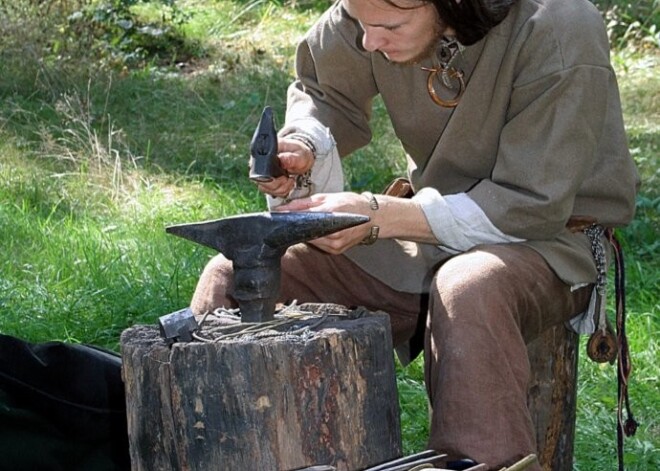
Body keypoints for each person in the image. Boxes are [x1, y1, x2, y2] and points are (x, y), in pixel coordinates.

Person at [190, 0, 640, 469]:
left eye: (390, 25)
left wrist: (379, 215)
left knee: (469, 287)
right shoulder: (373, 7)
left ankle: (477, 460)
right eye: (362, 23)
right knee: (240, 273)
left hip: (551, 238)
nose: (369, 41)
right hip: (428, 231)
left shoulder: (558, 24)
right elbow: (323, 92)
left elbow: (533, 203)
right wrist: (302, 144)